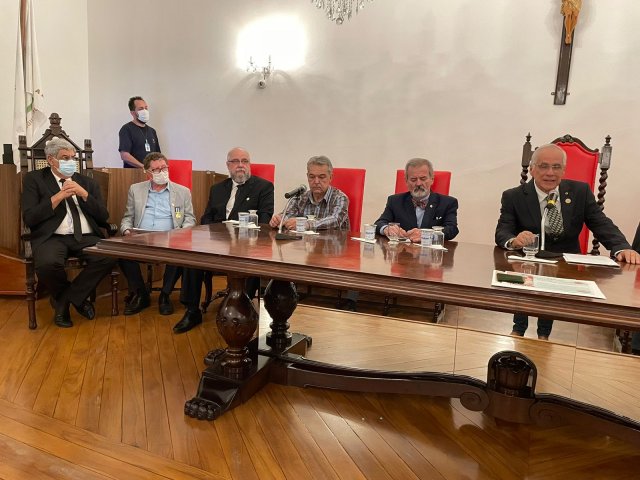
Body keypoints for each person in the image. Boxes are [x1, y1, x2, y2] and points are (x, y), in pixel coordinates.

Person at [495, 143, 639, 339]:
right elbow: (503, 231)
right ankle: (518, 329)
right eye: (544, 166)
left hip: (564, 264)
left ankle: (543, 335)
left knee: (551, 294)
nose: (550, 173)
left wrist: (621, 247)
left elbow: (601, 223)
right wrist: (514, 241)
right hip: (528, 262)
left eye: (556, 167)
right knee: (524, 286)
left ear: (564, 170)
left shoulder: (580, 191)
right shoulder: (513, 196)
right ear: (532, 169)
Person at [175, 147, 274, 334]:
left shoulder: (264, 187)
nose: (240, 165)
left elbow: (264, 220)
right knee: (192, 257)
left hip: (246, 244)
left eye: (245, 161)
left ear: (249, 164)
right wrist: (216, 233)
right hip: (217, 243)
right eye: (235, 161)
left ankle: (243, 309)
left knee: (253, 259)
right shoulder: (217, 188)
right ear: (228, 165)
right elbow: (206, 217)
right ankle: (192, 311)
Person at [21, 137, 116, 328]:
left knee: (109, 255)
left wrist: (84, 194)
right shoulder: (34, 179)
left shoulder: (87, 182)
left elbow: (103, 216)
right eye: (65, 158)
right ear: (51, 160)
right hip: (52, 237)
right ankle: (76, 300)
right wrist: (58, 197)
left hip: (86, 236)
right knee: (47, 264)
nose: (71, 162)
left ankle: (63, 302)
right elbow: (30, 217)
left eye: (73, 157)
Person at [119, 152, 196, 316]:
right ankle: (141, 294)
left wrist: (180, 234)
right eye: (156, 170)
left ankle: (165, 295)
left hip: (171, 239)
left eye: (164, 168)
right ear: (147, 172)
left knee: (179, 252)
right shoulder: (135, 189)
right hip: (141, 239)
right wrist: (126, 230)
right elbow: (127, 217)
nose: (162, 172)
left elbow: (190, 219)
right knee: (121, 252)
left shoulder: (182, 192)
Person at [374, 157, 459, 243]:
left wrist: (427, 234)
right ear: (406, 181)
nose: (418, 183)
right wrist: (386, 229)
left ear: (432, 179)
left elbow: (452, 229)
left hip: (431, 250)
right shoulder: (395, 201)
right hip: (402, 250)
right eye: (413, 179)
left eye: (423, 179)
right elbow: (379, 223)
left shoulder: (448, 203)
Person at [269, 155, 350, 231]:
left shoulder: (339, 197)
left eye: (321, 177)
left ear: (330, 177)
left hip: (332, 241)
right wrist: (279, 219)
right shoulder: (300, 198)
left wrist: (307, 224)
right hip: (305, 241)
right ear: (307, 176)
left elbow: (335, 220)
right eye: (312, 177)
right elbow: (289, 214)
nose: (316, 181)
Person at [118, 96, 161, 168]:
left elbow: (158, 155)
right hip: (133, 173)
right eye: (141, 109)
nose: (145, 111)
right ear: (132, 113)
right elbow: (124, 155)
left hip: (152, 172)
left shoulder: (152, 131)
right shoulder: (126, 129)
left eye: (146, 108)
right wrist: (143, 167)